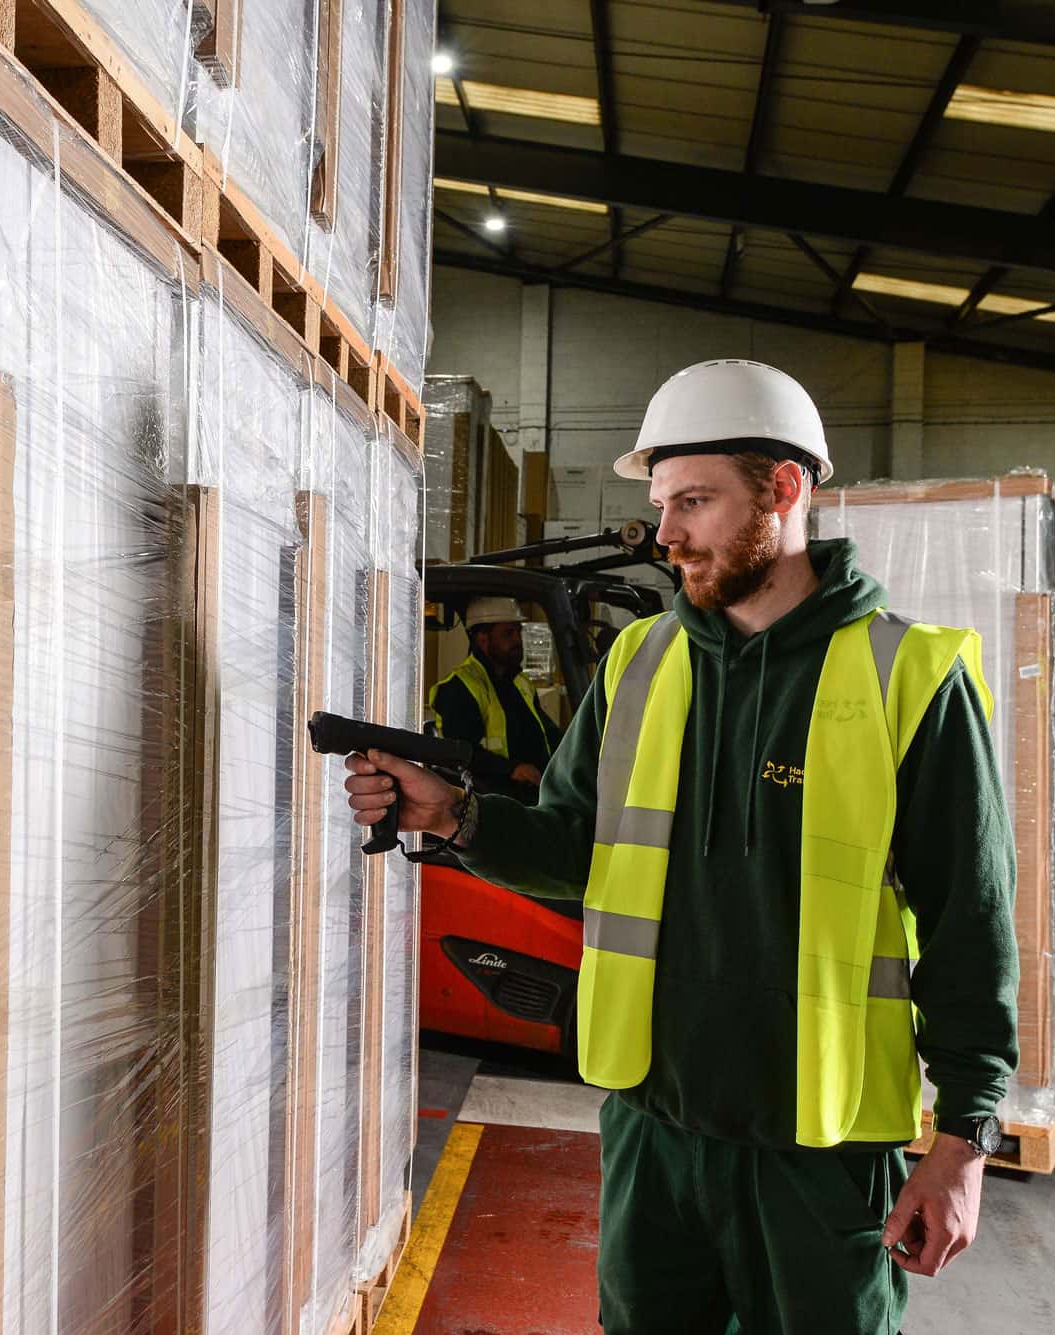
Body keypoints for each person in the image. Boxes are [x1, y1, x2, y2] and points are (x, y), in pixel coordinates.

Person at [345, 359, 1019, 1335]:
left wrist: (961, 1140)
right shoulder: (640, 663)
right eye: (662, 504)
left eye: (693, 502)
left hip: (820, 1156)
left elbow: (971, 924)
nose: (663, 534)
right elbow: (577, 849)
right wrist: (449, 816)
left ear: (782, 491)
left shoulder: (908, 678)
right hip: (653, 1132)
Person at [429, 596, 561, 793]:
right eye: (508, 633)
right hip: (489, 798)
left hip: (532, 792)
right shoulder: (460, 687)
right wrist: (512, 769)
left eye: (518, 631)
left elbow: (546, 732)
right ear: (483, 639)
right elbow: (459, 752)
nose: (517, 640)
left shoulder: (520, 682)